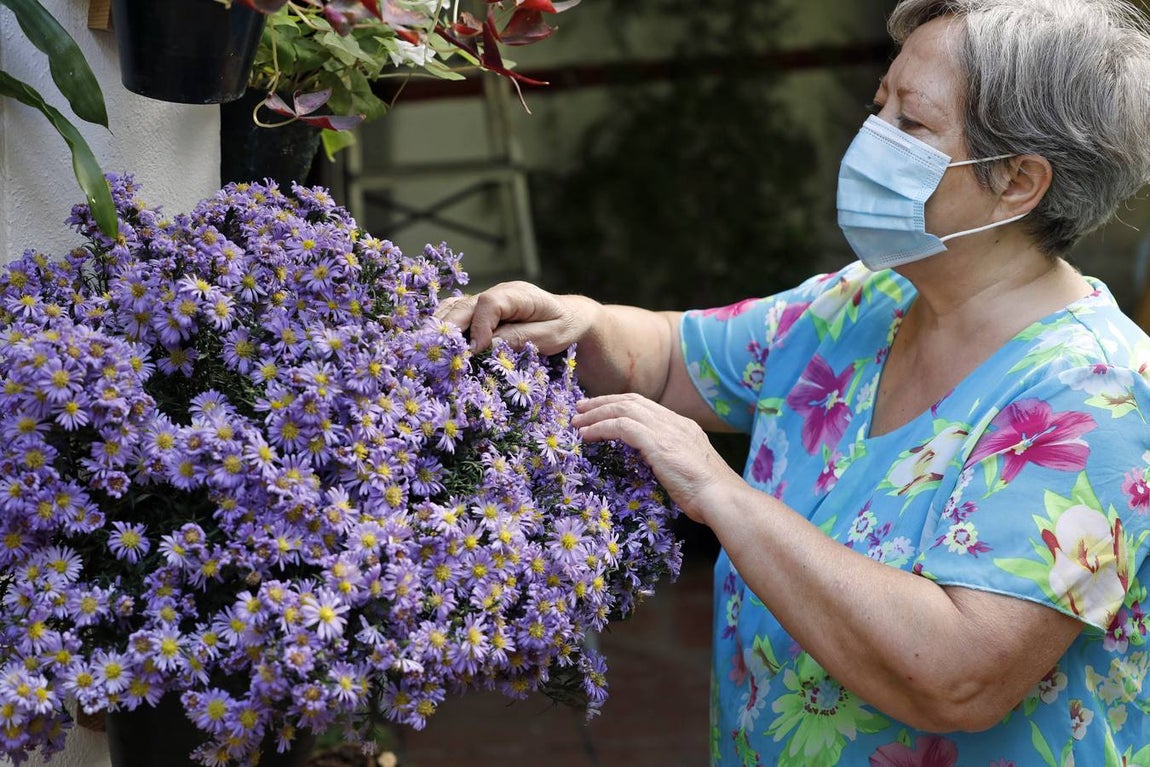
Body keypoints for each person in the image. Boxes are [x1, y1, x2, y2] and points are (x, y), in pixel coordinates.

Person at [438, 0, 1150, 763]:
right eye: (880, 104)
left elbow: (959, 678)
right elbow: (677, 358)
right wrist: (581, 322)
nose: (872, 139)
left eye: (911, 125)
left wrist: (722, 494)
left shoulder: (1098, 395)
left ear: (1018, 182)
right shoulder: (861, 303)